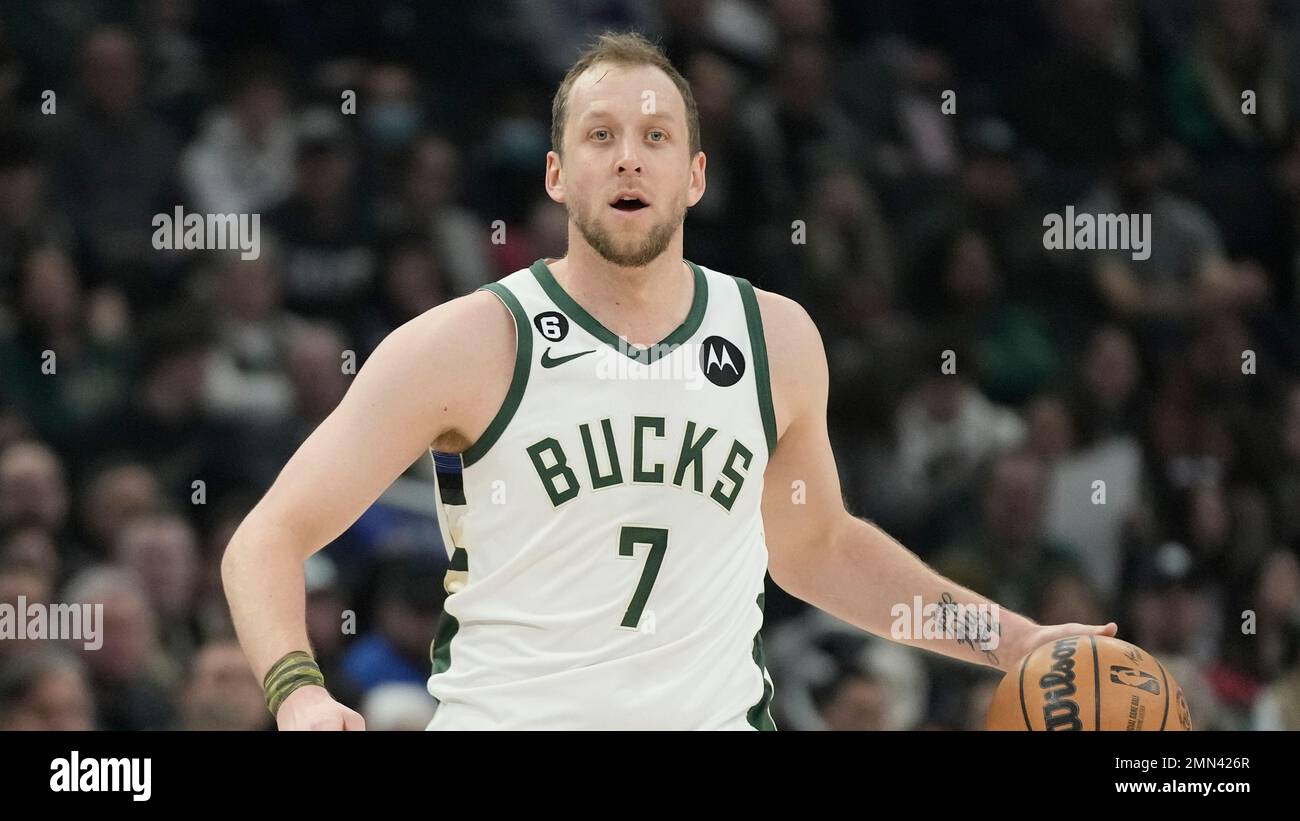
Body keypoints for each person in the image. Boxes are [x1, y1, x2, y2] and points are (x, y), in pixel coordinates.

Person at [222, 31, 1116, 731]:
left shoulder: (776, 338)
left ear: (693, 177)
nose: (627, 158)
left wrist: (1021, 642)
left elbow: (821, 550)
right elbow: (266, 537)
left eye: (656, 137)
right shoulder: (467, 342)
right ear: (556, 175)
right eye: (600, 136)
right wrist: (298, 690)